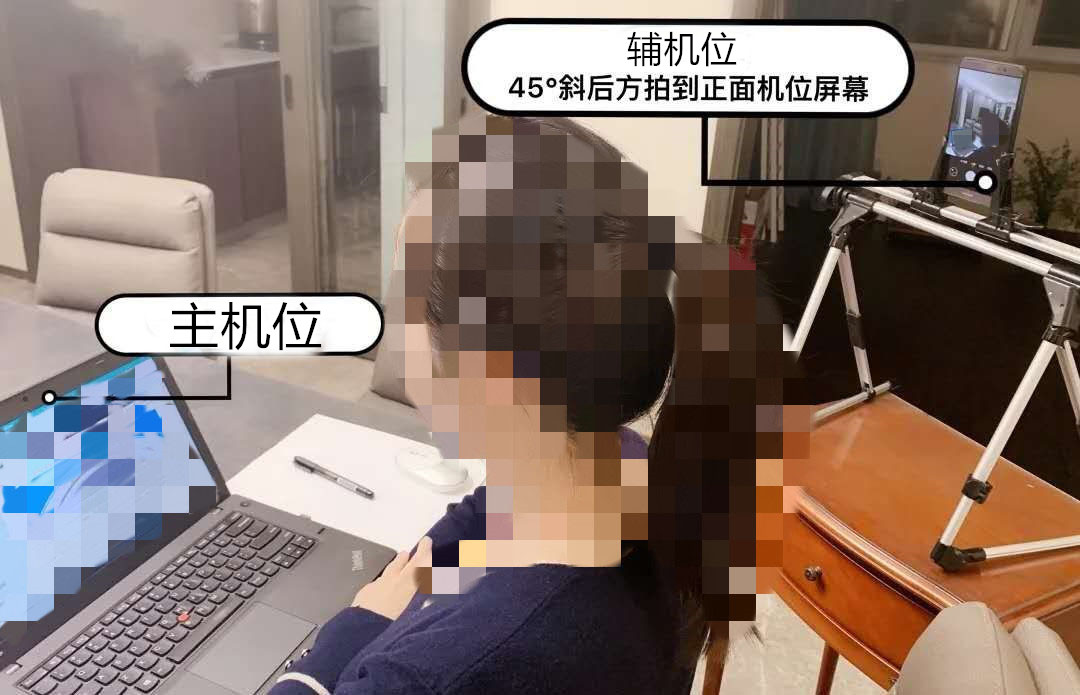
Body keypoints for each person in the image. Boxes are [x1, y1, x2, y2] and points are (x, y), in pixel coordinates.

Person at [269, 115, 773, 695]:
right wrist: (422, 582)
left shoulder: (425, 677)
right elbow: (488, 512)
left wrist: (348, 635)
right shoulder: (638, 470)